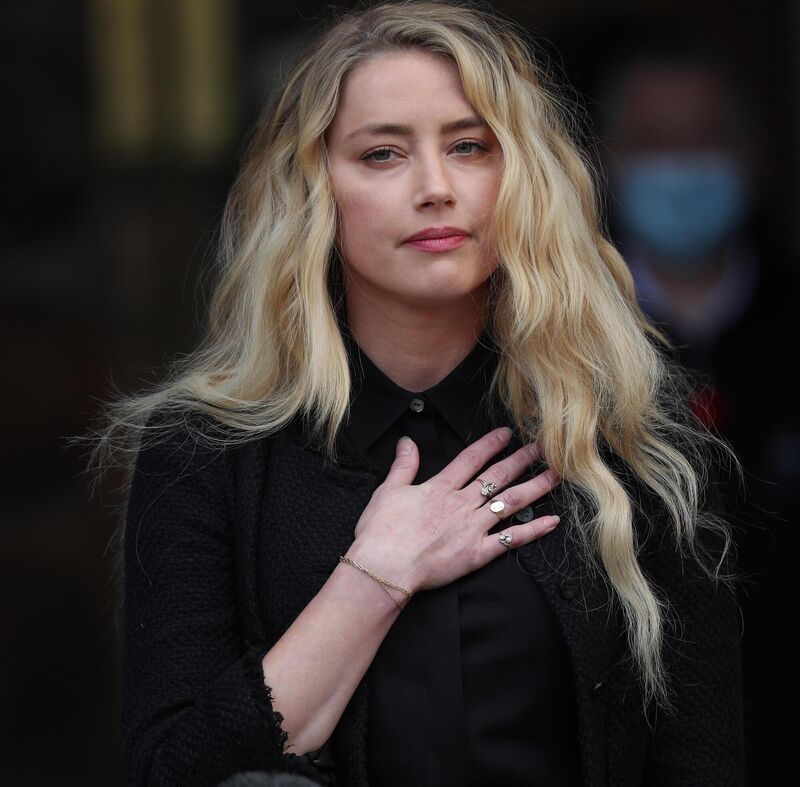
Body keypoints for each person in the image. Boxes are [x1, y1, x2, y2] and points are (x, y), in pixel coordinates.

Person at [89, 2, 744, 785]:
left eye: (469, 146)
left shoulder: (630, 431)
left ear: (520, 174)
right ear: (314, 189)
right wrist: (375, 575)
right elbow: (171, 771)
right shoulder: (202, 450)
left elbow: (701, 758)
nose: (435, 187)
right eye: (383, 155)